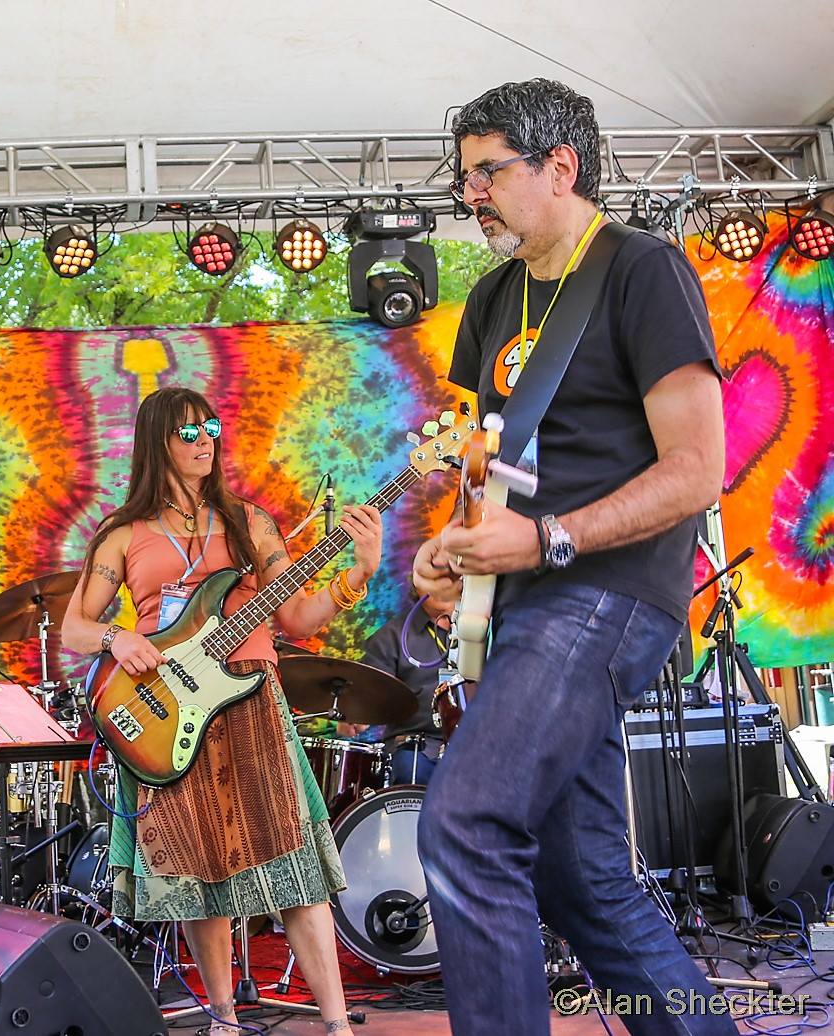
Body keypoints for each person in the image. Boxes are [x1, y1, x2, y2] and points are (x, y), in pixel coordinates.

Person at [412, 79, 729, 1035]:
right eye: (465, 177)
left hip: (608, 590)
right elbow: (479, 466)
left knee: (465, 825)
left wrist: (548, 538)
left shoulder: (642, 270)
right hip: (521, 602)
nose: (471, 196)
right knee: (581, 882)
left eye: (489, 173)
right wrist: (452, 548)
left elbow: (698, 470)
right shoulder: (492, 301)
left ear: (562, 166)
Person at [63, 386, 382, 1036]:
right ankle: (225, 1019)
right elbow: (72, 626)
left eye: (210, 426)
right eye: (189, 431)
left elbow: (296, 615)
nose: (205, 438)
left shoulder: (249, 522)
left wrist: (358, 574)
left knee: (296, 871)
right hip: (167, 714)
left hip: (252, 703)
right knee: (197, 876)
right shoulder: (123, 535)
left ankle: (337, 1024)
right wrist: (117, 637)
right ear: (158, 441)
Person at [343, 592, 453, 784]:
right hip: (417, 745)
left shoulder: (490, 630)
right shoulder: (391, 636)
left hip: (475, 741)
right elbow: (368, 694)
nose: (444, 582)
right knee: (411, 769)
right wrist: (356, 713)